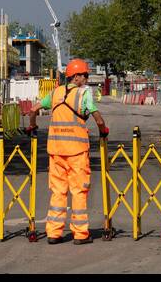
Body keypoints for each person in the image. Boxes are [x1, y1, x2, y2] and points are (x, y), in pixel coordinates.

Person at [29, 59, 108, 244]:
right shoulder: (83, 94)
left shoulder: (55, 93)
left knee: (58, 192)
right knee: (79, 192)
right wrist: (103, 130)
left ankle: (54, 233)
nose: (87, 79)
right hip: (77, 152)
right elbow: (97, 117)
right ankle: (80, 234)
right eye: (85, 75)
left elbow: (33, 109)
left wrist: (32, 126)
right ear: (76, 77)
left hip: (56, 152)